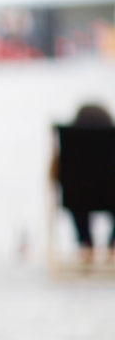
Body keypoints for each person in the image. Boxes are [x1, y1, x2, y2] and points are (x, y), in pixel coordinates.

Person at [67, 104, 115, 260]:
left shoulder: (71, 142)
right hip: (111, 196)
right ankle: (113, 245)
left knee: (76, 197)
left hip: (78, 198)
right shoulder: (110, 140)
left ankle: (85, 243)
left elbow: (58, 173)